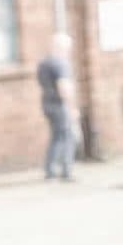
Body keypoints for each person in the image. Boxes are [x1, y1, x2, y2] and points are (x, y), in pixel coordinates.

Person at [37, 34, 79, 182]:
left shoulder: (44, 63)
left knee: (56, 137)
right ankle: (66, 170)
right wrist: (72, 108)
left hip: (47, 104)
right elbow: (64, 87)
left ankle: (50, 169)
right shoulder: (61, 64)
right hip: (59, 105)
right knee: (67, 136)